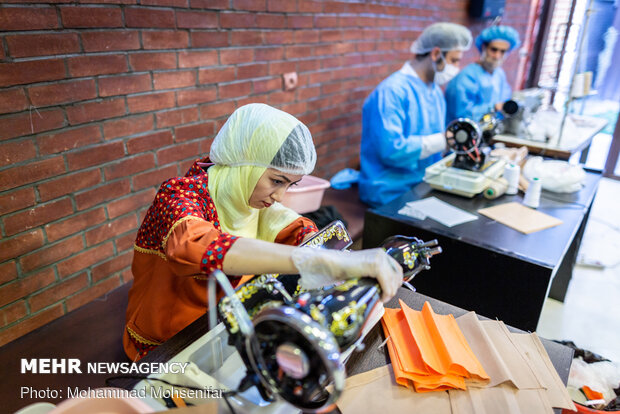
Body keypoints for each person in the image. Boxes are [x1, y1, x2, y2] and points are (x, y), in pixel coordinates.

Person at [123, 103, 403, 361]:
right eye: (276, 180)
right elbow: (196, 246)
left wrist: (322, 249)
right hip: (168, 342)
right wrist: (323, 261)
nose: (280, 196)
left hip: (220, 325)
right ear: (245, 162)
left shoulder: (248, 198)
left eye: (290, 185)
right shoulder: (177, 196)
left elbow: (291, 224)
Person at [359, 22, 473, 207]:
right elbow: (391, 150)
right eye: (453, 60)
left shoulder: (434, 91)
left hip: (423, 183)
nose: (456, 68)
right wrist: (446, 140)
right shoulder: (391, 92)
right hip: (389, 191)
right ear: (436, 53)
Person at [445, 25, 521, 123]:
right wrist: (494, 107)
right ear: (484, 48)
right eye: (494, 50)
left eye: (503, 51)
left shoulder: (499, 74)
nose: (497, 56)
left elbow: (504, 100)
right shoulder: (467, 77)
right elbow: (462, 115)